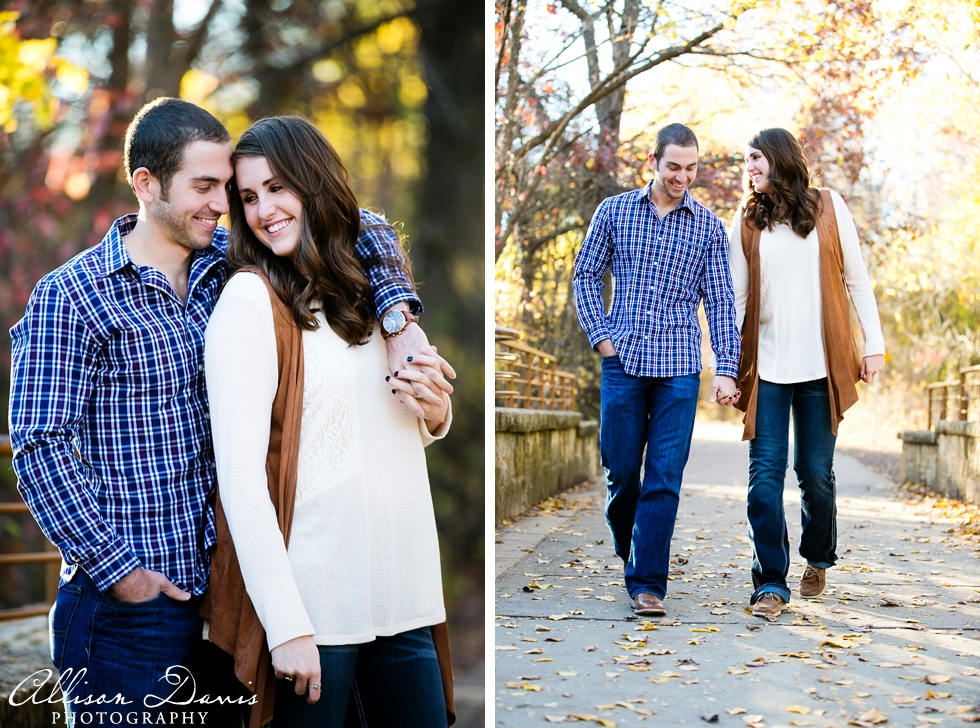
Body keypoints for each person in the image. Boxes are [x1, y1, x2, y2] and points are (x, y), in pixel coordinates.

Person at [7, 98, 452, 722]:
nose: (223, 205)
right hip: (132, 605)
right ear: (147, 185)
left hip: (222, 594)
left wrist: (399, 317)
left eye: (230, 190)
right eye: (206, 187)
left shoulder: (227, 267)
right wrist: (123, 576)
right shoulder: (72, 296)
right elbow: (38, 447)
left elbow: (357, 220)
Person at [203, 116, 452, 727]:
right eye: (249, 197)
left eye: (278, 188)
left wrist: (436, 412)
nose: (264, 210)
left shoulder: (374, 294)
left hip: (403, 593)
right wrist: (286, 625)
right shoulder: (249, 301)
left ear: (315, 183)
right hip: (317, 608)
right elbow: (240, 482)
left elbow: (387, 426)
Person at [573, 123, 742, 618]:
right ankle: (635, 552)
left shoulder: (707, 227)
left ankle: (648, 583)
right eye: (673, 167)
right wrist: (601, 338)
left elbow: (721, 301)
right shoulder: (614, 211)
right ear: (653, 161)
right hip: (622, 362)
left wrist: (725, 369)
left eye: (691, 169)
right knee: (621, 472)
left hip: (680, 369)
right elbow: (585, 274)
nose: (682, 177)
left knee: (664, 477)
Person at [729, 127, 885, 618]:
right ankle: (770, 583)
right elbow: (736, 297)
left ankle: (817, 557)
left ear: (778, 158)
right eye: (746, 160)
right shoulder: (747, 216)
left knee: (815, 474)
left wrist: (873, 345)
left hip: (821, 365)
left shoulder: (830, 206)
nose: (748, 168)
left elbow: (857, 279)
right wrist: (730, 369)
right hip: (769, 367)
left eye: (755, 158)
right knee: (764, 479)